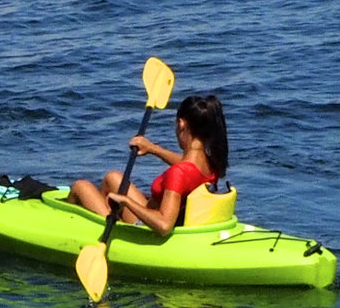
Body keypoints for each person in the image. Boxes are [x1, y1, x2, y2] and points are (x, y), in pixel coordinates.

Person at [69, 92, 229, 237]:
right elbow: (187, 167)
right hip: (161, 215)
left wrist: (126, 202)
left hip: (146, 228)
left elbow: (164, 225)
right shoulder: (210, 164)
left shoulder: (179, 173)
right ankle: (106, 220)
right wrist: (152, 148)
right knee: (113, 178)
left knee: (80, 186)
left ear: (181, 124)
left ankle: (71, 228)